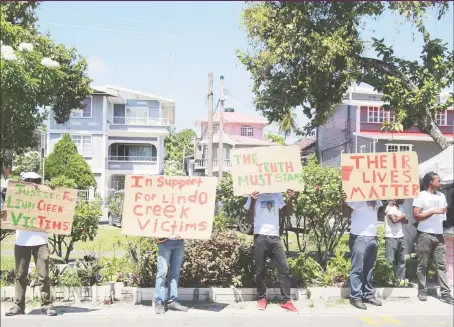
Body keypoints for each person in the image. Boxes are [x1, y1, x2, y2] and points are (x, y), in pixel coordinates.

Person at [5, 173, 57, 316]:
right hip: (22, 242)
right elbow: (8, 212)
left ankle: (46, 306)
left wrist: (53, 190)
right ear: (23, 183)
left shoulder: (46, 195)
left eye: (36, 181)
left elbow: (57, 206)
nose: (33, 184)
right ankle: (18, 306)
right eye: (29, 181)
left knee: (43, 275)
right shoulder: (16, 196)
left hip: (40, 242)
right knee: (20, 275)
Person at [245, 189, 298, 312]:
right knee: (260, 270)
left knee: (284, 269)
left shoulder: (276, 194)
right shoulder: (254, 194)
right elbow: (249, 219)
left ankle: (286, 300)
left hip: (275, 237)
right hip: (260, 236)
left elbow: (287, 213)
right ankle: (262, 298)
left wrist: (290, 199)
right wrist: (253, 201)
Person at [413, 172, 454, 305]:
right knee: (422, 264)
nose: (440, 183)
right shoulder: (421, 195)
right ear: (431, 182)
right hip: (424, 234)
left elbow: (443, 213)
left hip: (439, 234)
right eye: (438, 180)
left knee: (441, 265)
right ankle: (422, 290)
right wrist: (432, 211)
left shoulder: (442, 196)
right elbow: (416, 216)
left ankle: (445, 293)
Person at [342, 192, 385, 310]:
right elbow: (346, 214)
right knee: (357, 268)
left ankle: (368, 295)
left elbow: (381, 213)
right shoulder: (356, 195)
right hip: (359, 236)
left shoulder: (376, 196)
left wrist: (387, 200)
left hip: (373, 236)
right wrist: (344, 202)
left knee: (369, 268)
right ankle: (355, 297)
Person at [154, 237, 188, 314]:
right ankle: (159, 302)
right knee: (162, 272)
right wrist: (156, 235)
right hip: (165, 241)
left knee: (175, 273)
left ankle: (172, 301)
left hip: (179, 241)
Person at [384, 199, 408, 282]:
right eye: (403, 198)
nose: (404, 199)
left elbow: (407, 220)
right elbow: (394, 221)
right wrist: (402, 217)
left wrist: (400, 218)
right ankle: (389, 280)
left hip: (400, 236)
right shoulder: (390, 207)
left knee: (401, 260)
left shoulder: (400, 207)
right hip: (391, 237)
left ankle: (400, 280)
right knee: (390, 260)